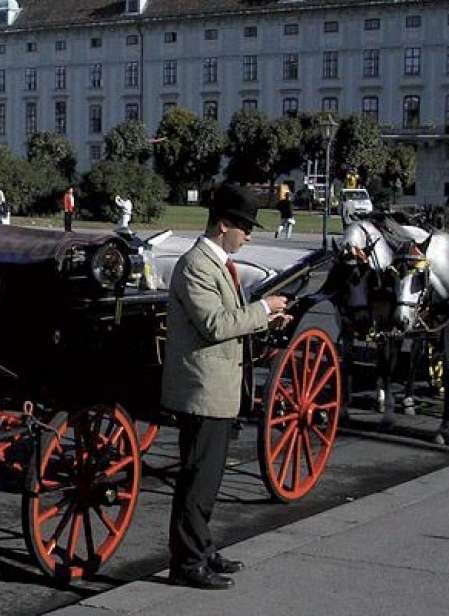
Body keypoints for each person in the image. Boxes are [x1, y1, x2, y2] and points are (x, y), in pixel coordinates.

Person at [162, 183, 291, 590]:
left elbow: (230, 316)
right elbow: (215, 324)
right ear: (223, 225)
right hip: (201, 390)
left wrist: (266, 319)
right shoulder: (197, 265)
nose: (249, 235)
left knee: (209, 478)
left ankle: (202, 548)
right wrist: (263, 309)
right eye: (244, 227)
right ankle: (186, 563)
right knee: (197, 480)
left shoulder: (217, 264)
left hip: (218, 389)